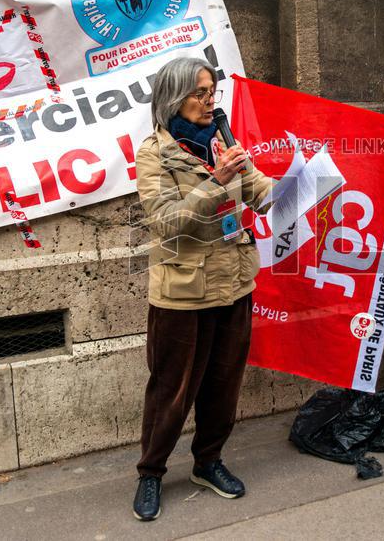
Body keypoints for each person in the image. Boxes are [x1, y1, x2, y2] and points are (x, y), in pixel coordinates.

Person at [132, 56, 272, 521]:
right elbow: (167, 223)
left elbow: (259, 188)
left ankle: (208, 462)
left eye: (213, 92)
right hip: (182, 293)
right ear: (175, 98)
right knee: (172, 390)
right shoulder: (154, 151)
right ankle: (151, 472)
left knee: (224, 384)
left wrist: (306, 187)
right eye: (201, 94)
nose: (211, 101)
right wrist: (217, 181)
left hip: (233, 284)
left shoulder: (222, 141)